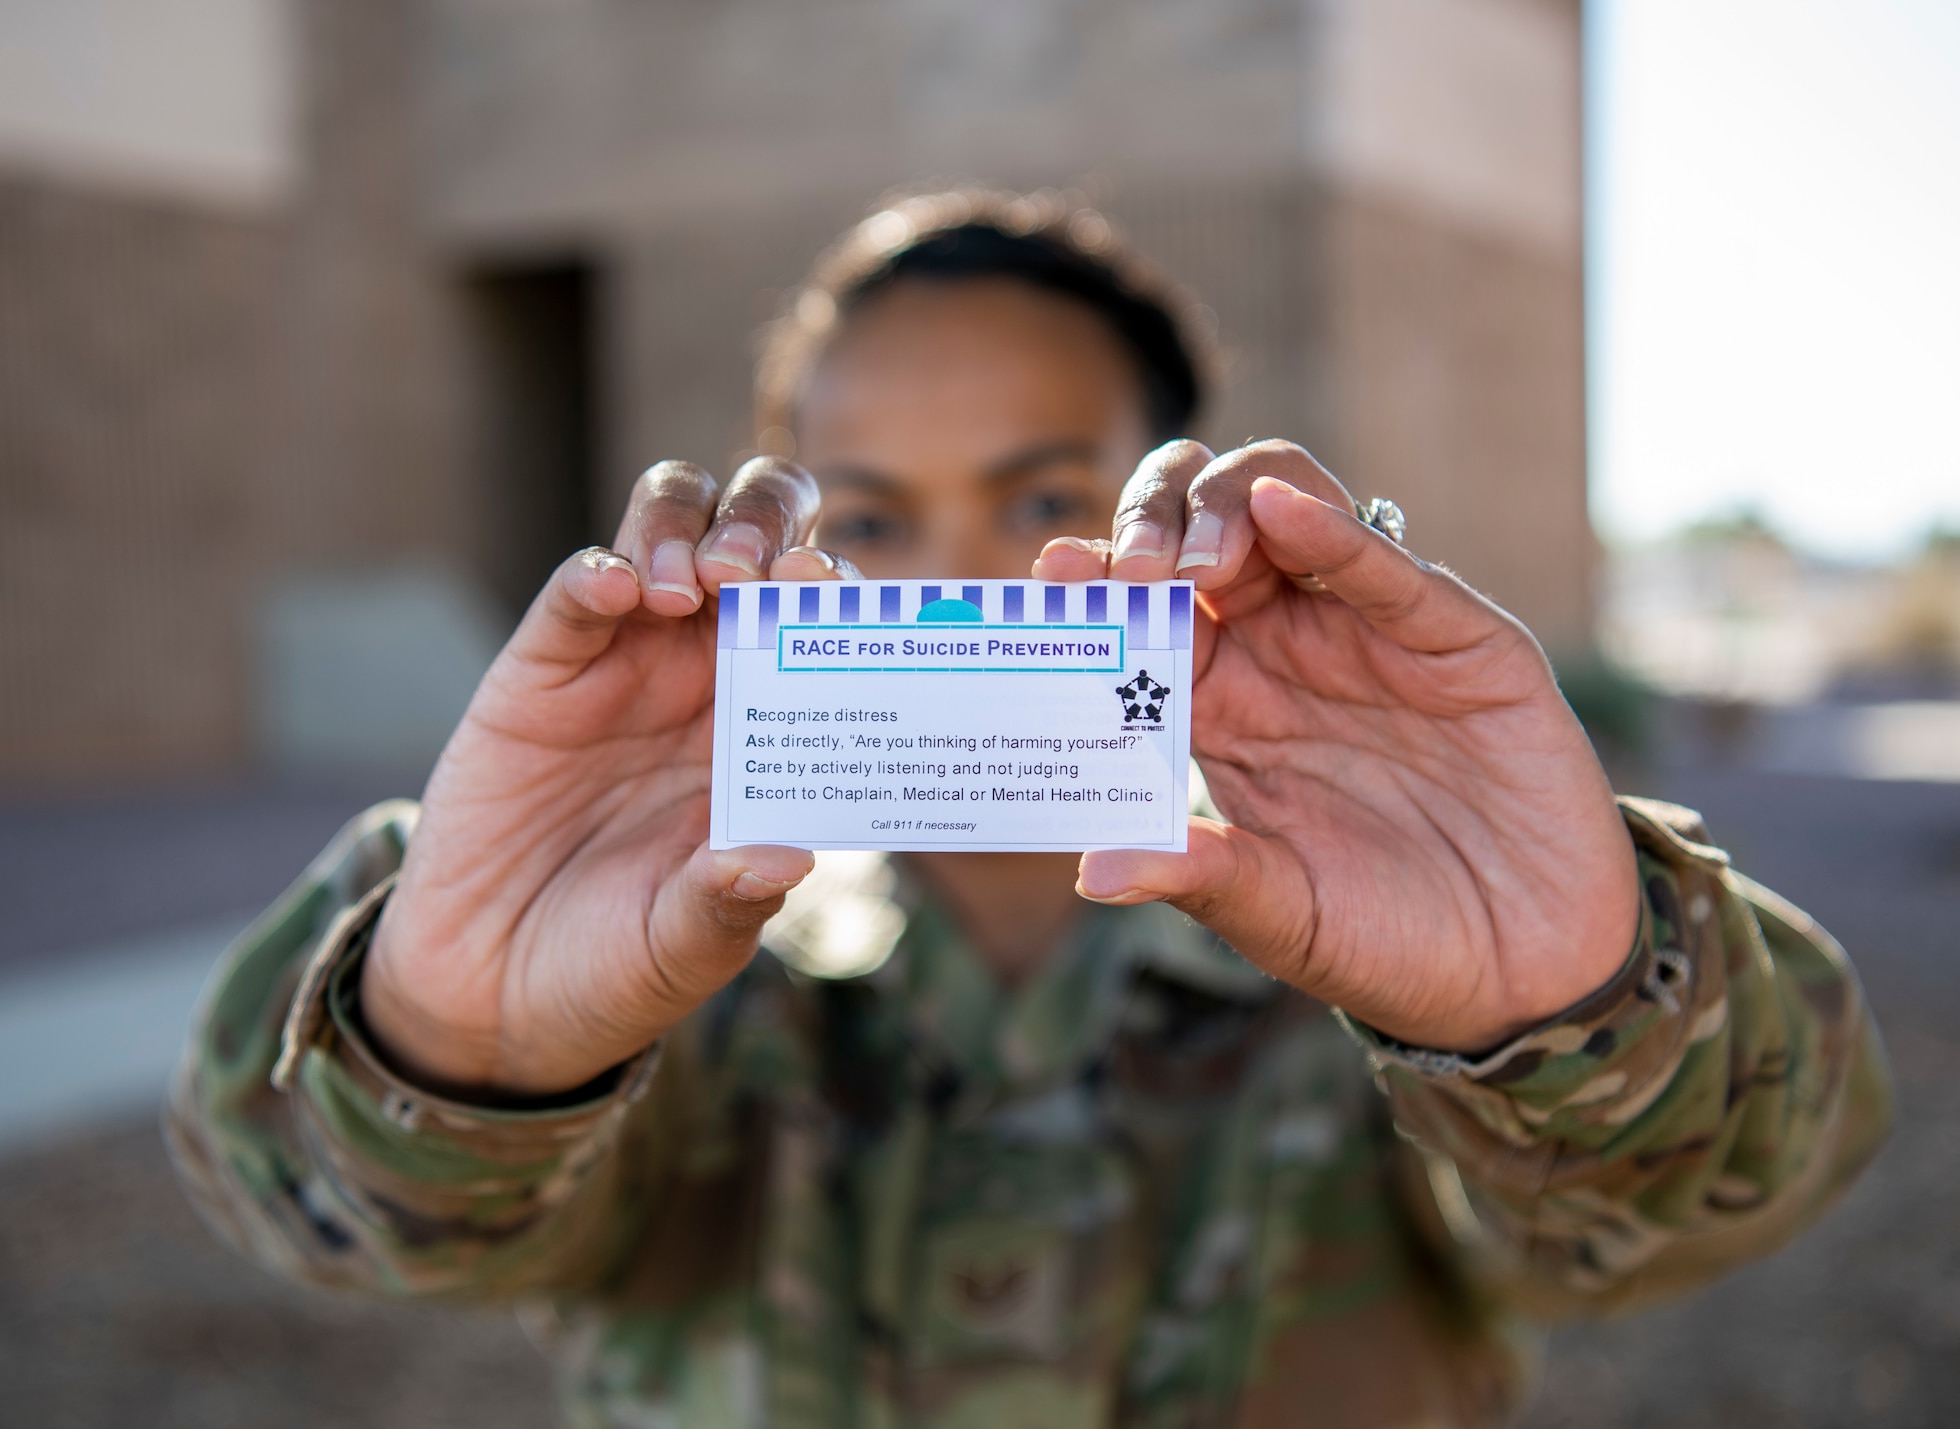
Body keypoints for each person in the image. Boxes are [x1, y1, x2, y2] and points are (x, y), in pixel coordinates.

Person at [168, 189, 1892, 1429]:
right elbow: (350, 1223)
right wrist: (451, 1044)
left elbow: (1700, 1209)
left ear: (1177, 505)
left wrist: (1580, 1007)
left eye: (1047, 494)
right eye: (878, 517)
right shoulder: (685, 962)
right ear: (800, 558)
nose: (977, 579)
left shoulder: (1377, 939)